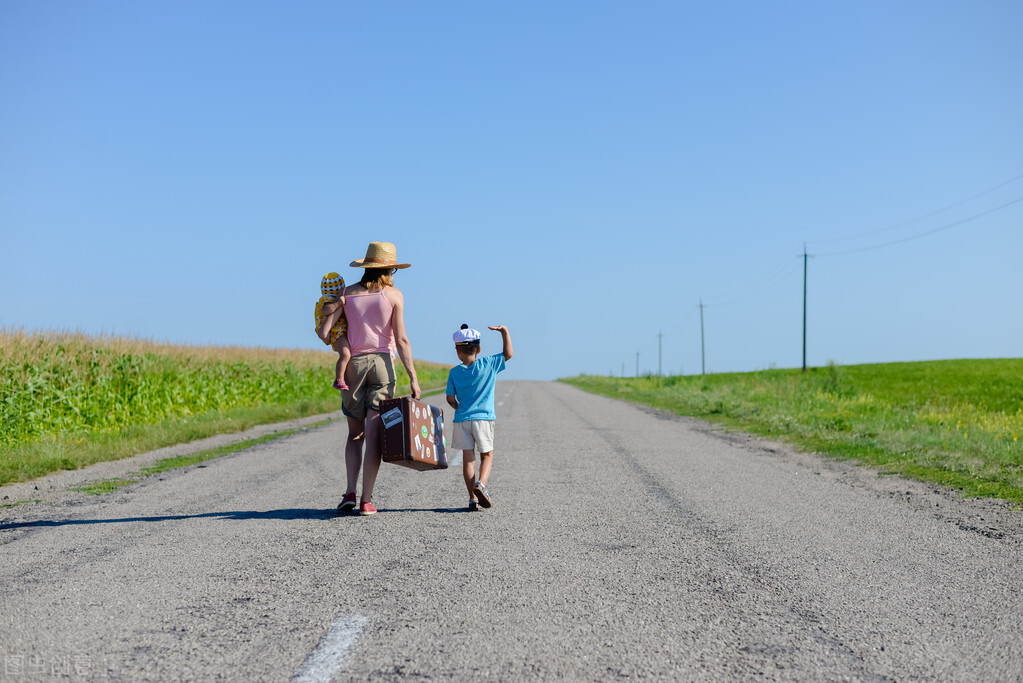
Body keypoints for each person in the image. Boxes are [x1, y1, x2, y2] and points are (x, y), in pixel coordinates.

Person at [323, 241, 420, 516]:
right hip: (382, 365)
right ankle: (367, 500)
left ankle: (349, 493)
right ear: (390, 269)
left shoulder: (346, 293)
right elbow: (400, 339)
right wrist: (413, 377)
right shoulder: (394, 295)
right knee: (375, 435)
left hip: (352, 364)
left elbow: (330, 330)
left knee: (355, 434)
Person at [445, 324, 513, 511]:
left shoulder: (454, 372)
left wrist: (458, 407)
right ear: (479, 349)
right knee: (487, 455)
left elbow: (450, 399)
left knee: (468, 459)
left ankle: (472, 498)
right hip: (483, 419)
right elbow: (508, 354)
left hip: (462, 420)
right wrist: (504, 332)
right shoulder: (489, 364)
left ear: (457, 352)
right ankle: (481, 484)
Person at [314, 272, 351, 391]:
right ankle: (339, 379)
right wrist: (338, 303)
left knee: (346, 354)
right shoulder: (327, 302)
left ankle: (340, 378)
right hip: (337, 334)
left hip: (341, 332)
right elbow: (325, 310)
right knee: (345, 354)